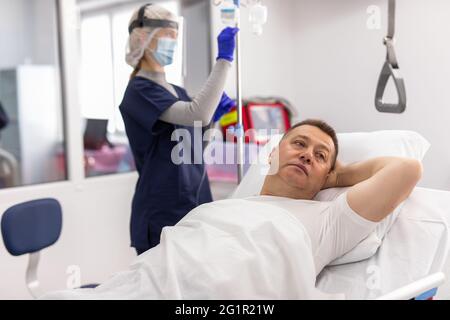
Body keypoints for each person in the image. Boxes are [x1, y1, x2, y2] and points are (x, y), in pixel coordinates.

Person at [42, 119, 422, 300]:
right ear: (272, 154)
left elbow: (406, 169)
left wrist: (336, 177)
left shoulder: (326, 221)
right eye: (299, 144)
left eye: (319, 155)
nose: (307, 154)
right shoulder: (227, 207)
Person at [119, 4, 238, 255]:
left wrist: (212, 121)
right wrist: (224, 60)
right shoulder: (139, 91)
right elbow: (197, 112)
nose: (174, 42)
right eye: (168, 36)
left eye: (176, 36)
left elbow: (193, 148)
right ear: (144, 38)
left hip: (195, 202)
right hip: (162, 208)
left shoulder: (177, 92)